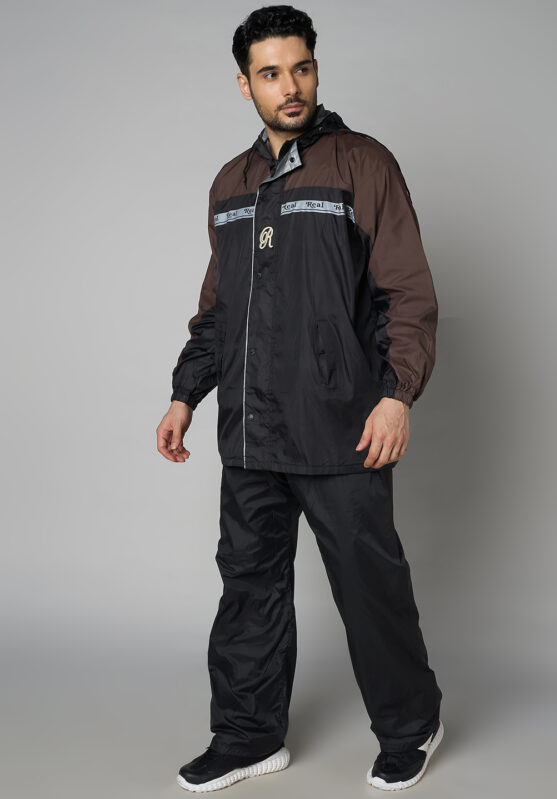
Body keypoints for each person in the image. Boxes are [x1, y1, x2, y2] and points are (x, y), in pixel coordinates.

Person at [156, 4, 444, 793]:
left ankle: (411, 724)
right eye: (272, 73)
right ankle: (248, 734)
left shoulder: (362, 164)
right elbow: (219, 310)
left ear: (316, 69)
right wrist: (185, 394)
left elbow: (408, 293)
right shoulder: (231, 185)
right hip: (250, 432)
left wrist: (397, 395)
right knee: (248, 587)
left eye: (302, 67)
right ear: (244, 84)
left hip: (341, 425)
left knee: (368, 584)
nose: (291, 86)